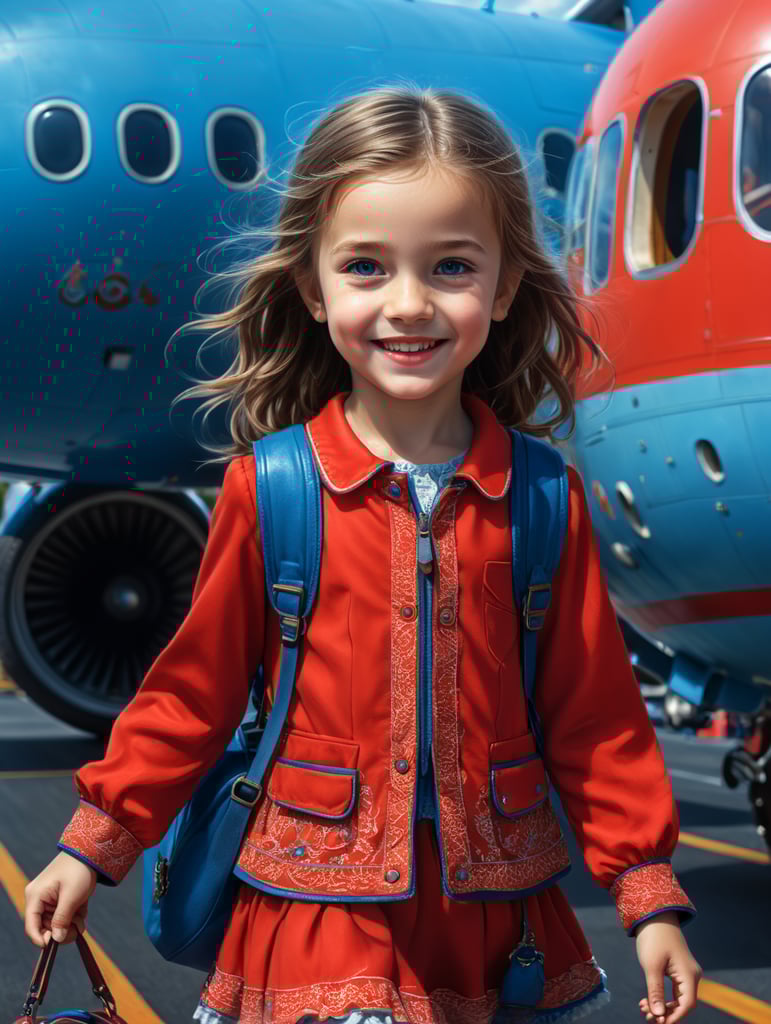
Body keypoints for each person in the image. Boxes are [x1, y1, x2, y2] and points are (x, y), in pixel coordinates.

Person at [23, 85, 702, 1024]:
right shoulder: (274, 488)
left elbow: (594, 717)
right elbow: (193, 693)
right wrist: (92, 845)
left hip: (494, 918)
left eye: (452, 265)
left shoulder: (544, 498)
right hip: (315, 909)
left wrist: (646, 894)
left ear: (505, 286)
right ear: (313, 285)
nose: (409, 303)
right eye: (366, 267)